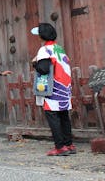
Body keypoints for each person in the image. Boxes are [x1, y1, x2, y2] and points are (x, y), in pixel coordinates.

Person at [31, 23, 76, 156]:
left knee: (53, 116)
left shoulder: (44, 49)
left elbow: (44, 69)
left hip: (54, 88)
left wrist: (34, 63)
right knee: (64, 116)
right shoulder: (59, 48)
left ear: (42, 35)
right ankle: (69, 144)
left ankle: (60, 146)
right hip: (65, 86)